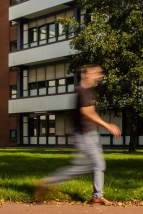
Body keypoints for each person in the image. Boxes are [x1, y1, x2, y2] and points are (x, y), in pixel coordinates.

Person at [35, 64, 121, 205]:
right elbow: (86, 114)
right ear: (86, 74)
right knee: (85, 166)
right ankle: (48, 183)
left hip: (90, 134)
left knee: (97, 165)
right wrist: (108, 126)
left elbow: (92, 111)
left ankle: (97, 196)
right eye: (96, 73)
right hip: (83, 135)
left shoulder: (89, 91)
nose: (100, 76)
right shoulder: (81, 90)